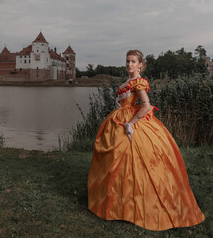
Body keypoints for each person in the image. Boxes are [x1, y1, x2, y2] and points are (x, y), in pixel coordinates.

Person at [87, 50, 205, 231]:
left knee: (137, 162)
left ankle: (141, 205)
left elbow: (146, 105)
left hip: (131, 123)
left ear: (140, 64)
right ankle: (120, 204)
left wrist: (130, 124)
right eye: (127, 61)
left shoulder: (139, 82)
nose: (129, 64)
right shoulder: (127, 82)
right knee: (117, 162)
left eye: (133, 61)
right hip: (119, 121)